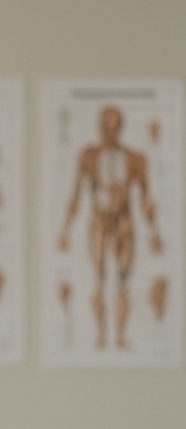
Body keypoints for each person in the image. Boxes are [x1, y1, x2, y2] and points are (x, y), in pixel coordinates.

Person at [57, 104, 165, 350]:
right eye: (107, 126)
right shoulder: (89, 156)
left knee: (123, 281)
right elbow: (77, 194)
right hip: (99, 219)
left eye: (115, 127)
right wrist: (65, 230)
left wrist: (155, 232)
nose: (110, 132)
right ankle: (101, 335)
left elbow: (146, 198)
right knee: (98, 278)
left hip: (124, 221)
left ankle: (119, 336)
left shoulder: (135, 158)